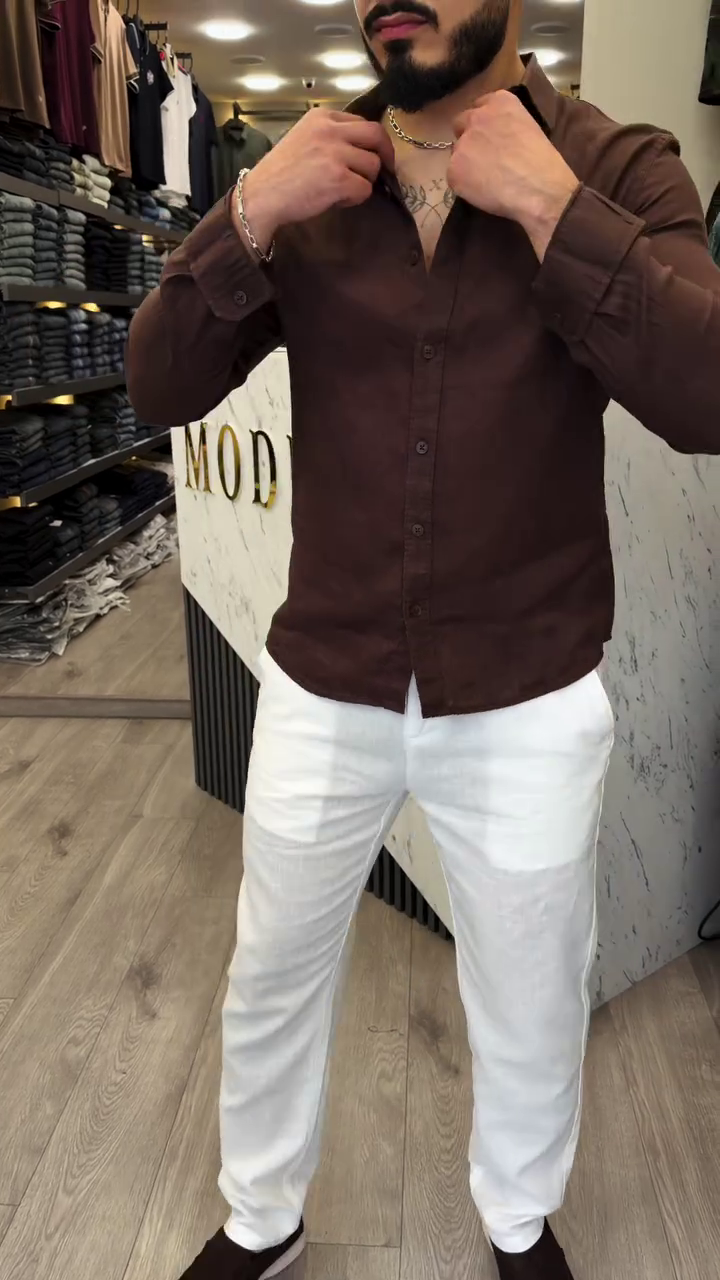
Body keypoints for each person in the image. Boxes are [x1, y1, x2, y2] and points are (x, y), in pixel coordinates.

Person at [126, 1, 720, 1276]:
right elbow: (157, 384)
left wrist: (553, 210)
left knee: (532, 990)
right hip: (324, 678)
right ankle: (261, 1215)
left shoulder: (618, 165)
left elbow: (708, 393)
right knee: (272, 969)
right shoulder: (312, 180)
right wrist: (248, 214)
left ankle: (518, 1219)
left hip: (526, 689)